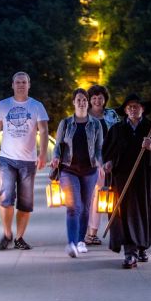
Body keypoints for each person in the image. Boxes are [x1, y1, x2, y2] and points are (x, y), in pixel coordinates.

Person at [0, 71, 49, 251]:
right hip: (7, 159)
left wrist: (42, 154)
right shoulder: (3, 105)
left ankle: (19, 238)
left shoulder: (37, 106)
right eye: (17, 82)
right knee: (6, 199)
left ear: (29, 85)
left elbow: (43, 131)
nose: (20, 85)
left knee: (26, 203)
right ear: (12, 85)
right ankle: (7, 234)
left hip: (28, 161)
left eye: (24, 82)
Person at [102, 94, 151, 269]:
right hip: (122, 179)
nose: (133, 109)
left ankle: (141, 246)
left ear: (143, 109)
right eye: (129, 107)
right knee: (124, 215)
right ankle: (130, 252)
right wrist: (108, 163)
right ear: (125, 110)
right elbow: (107, 152)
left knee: (145, 212)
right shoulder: (116, 129)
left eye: (136, 106)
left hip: (145, 180)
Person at [50, 88, 104, 258]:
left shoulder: (95, 124)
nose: (82, 102)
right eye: (79, 99)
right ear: (73, 102)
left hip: (90, 171)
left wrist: (103, 165)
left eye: (84, 100)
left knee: (86, 207)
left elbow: (99, 149)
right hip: (68, 170)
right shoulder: (65, 123)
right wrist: (56, 158)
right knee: (74, 207)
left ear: (87, 103)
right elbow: (57, 145)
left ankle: (81, 241)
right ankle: (71, 243)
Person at [84, 85, 119, 246]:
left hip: (111, 161)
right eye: (94, 98)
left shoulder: (111, 115)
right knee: (92, 198)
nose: (97, 101)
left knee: (109, 196)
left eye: (100, 97)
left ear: (105, 99)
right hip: (89, 162)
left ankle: (112, 232)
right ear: (90, 100)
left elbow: (120, 134)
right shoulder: (83, 115)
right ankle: (89, 232)